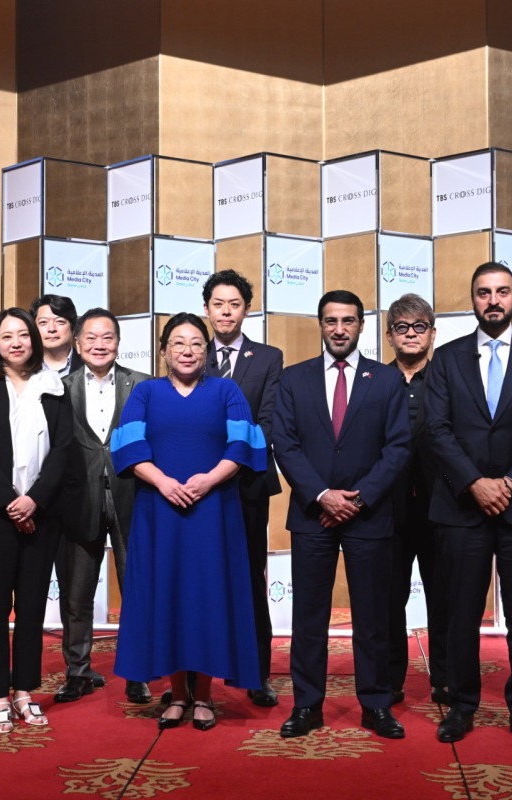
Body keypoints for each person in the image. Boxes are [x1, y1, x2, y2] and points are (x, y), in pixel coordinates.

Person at [423, 263, 512, 747]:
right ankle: (462, 705)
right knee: (460, 612)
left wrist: (508, 483)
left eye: (502, 291)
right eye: (484, 292)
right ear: (472, 300)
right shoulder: (445, 358)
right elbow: (436, 430)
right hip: (462, 506)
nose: (493, 300)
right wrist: (474, 483)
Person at [111, 312, 266, 732]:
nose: (187, 350)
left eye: (197, 343)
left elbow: (245, 442)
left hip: (213, 511)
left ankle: (205, 697)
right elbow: (127, 445)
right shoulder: (144, 392)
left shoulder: (226, 390)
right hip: (159, 512)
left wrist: (208, 480)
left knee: (209, 596)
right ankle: (177, 695)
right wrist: (163, 482)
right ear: (163, 350)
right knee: (168, 595)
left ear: (207, 351)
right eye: (178, 343)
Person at [272, 290, 411, 740]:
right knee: (308, 618)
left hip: (369, 516)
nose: (339, 329)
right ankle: (307, 705)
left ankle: (376, 705)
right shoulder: (293, 380)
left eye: (348, 321)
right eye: (331, 320)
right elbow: (285, 444)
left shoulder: (386, 381)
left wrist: (359, 497)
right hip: (312, 515)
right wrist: (321, 495)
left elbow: (398, 447)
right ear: (319, 324)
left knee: (373, 618)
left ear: (361, 326)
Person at [0, 308, 74, 734]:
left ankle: (26, 690)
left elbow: (63, 450)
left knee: (31, 608)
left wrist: (34, 502)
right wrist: (12, 503)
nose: (16, 342)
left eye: (23, 334)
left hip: (42, 515)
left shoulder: (54, 388)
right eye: (6, 336)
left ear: (34, 340)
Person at [54, 308, 153, 706]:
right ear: (77, 343)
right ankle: (77, 672)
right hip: (78, 503)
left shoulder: (141, 386)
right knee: (76, 596)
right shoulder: (58, 387)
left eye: (107, 337)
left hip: (133, 498)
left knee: (137, 592)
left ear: (118, 342)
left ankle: (137, 675)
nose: (99, 345)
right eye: (91, 338)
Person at [202, 269, 284, 707]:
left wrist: (227, 462)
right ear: (207, 309)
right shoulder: (194, 353)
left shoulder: (268, 357)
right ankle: (201, 678)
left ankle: (257, 675)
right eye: (219, 304)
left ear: (247, 309)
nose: (226, 311)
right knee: (204, 579)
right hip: (198, 486)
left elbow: (265, 422)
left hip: (248, 481)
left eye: (235, 304)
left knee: (251, 578)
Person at [381, 294, 448, 707]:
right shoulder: (374, 382)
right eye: (402, 327)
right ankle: (388, 682)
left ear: (433, 333)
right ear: (389, 336)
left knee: (446, 598)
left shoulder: (451, 380)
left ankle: (445, 678)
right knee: (388, 601)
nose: (410, 334)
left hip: (443, 507)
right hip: (386, 509)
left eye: (419, 326)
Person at [31, 294, 82, 376]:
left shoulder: (89, 366)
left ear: (73, 328)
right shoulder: (23, 367)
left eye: (60, 322)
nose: (51, 329)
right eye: (43, 322)